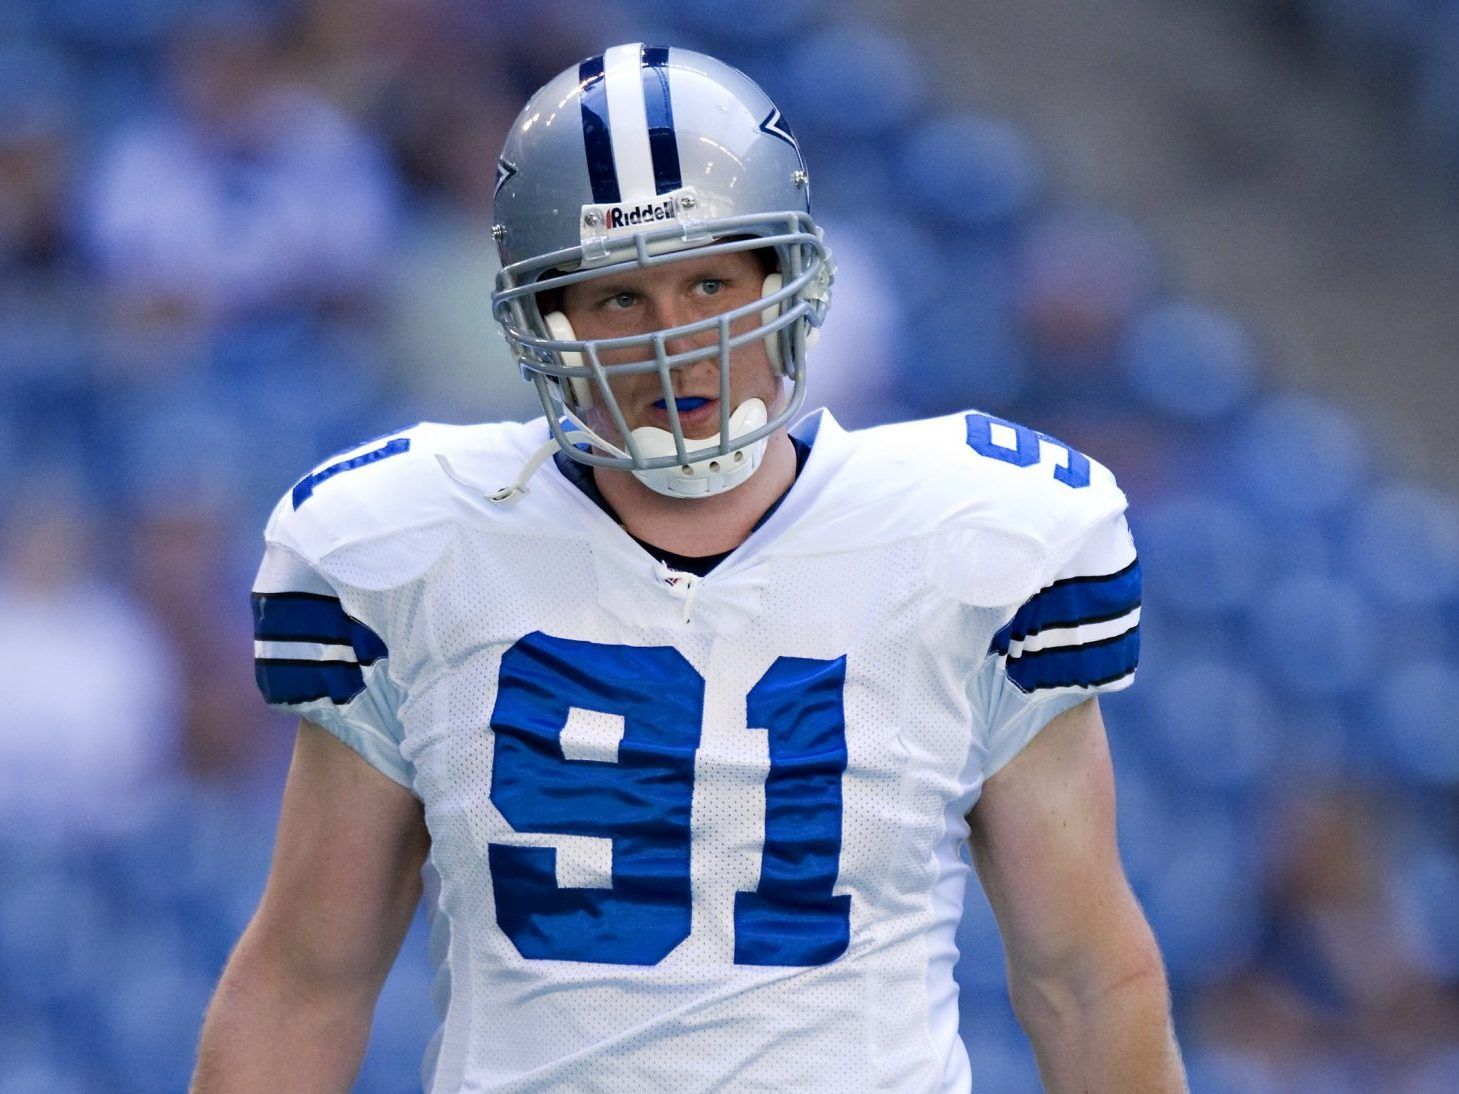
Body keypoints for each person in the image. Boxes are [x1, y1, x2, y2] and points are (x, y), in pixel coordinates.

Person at [193, 44, 1186, 1092]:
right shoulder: (416, 550)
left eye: (709, 280)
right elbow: (308, 977)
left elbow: (1082, 974)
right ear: (548, 324)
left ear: (785, 278)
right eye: (619, 298)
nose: (675, 338)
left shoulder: (970, 539)